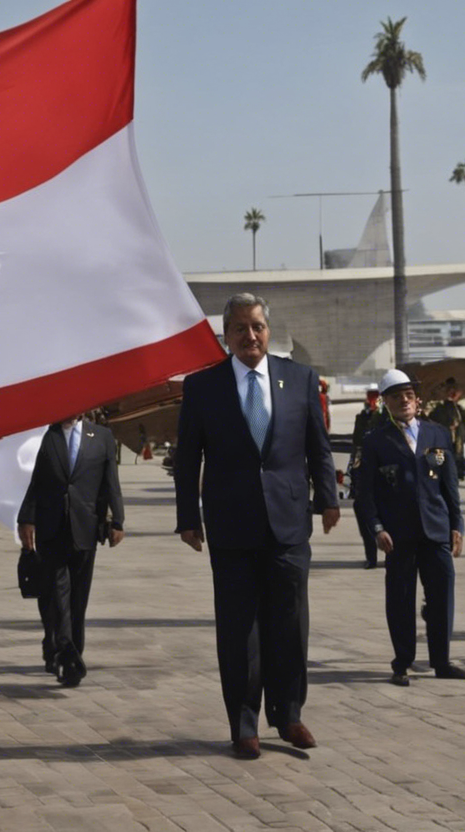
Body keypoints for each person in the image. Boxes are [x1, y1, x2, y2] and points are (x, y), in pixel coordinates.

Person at [173, 292, 339, 760]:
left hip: (289, 521)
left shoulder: (300, 379)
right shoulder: (204, 387)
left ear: (269, 330)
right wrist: (188, 517)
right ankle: (243, 724)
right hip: (231, 524)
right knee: (239, 629)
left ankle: (288, 716)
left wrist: (327, 499)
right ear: (226, 336)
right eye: (241, 329)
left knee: (290, 622)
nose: (251, 336)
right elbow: (188, 459)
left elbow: (317, 447)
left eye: (258, 326)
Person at [355, 370, 465, 686]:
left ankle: (441, 661)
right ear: (385, 403)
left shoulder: (438, 434)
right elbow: (365, 495)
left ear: (417, 400)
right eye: (395, 396)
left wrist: (457, 524)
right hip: (398, 534)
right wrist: (376, 528)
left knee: (442, 596)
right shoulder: (376, 440)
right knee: (401, 599)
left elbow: (451, 487)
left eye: (407, 395)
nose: (403, 401)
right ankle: (402, 662)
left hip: (436, 530)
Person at [18, 414, 125, 687]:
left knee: (79, 598)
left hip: (85, 528)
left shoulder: (101, 437)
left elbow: (111, 482)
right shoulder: (47, 436)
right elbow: (36, 481)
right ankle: (66, 651)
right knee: (56, 592)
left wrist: (118, 521)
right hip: (51, 528)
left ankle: (71, 648)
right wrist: (26, 518)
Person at [351, 384, 386, 568]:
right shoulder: (362, 418)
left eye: (376, 397)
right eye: (370, 397)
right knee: (362, 509)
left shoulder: (387, 417)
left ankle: (391, 554)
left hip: (385, 472)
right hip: (365, 469)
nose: (373, 401)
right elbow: (357, 443)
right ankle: (370, 556)